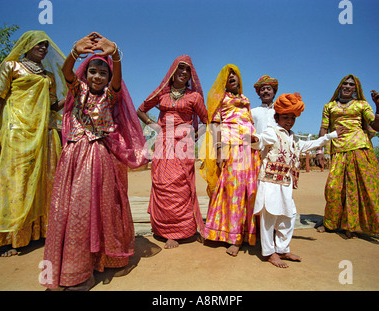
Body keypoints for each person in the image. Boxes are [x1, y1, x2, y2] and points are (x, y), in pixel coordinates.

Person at [43, 33, 147, 290]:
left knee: (95, 209)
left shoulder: (111, 97)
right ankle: (73, 268)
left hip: (99, 157)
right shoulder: (77, 90)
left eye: (103, 73)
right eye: (92, 71)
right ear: (85, 74)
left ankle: (90, 267)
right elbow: (67, 71)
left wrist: (116, 56)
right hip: (73, 157)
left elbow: (118, 81)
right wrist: (74, 52)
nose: (98, 76)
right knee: (69, 210)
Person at [0, 31, 66, 257]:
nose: (44, 49)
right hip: (16, 132)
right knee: (16, 181)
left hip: (45, 133)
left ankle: (41, 232)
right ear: (27, 45)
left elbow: (51, 107)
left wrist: (72, 94)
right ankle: (10, 237)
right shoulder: (10, 67)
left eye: (46, 45)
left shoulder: (48, 76)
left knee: (45, 181)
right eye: (39, 44)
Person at [251, 93, 347, 268]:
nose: (289, 121)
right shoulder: (272, 133)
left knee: (288, 216)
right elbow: (261, 141)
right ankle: (269, 252)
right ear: (276, 117)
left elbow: (309, 145)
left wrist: (331, 136)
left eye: (292, 118)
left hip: (286, 183)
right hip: (270, 182)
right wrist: (254, 140)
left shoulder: (294, 138)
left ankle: (282, 249)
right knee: (269, 218)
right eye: (285, 117)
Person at [137, 55, 208, 249]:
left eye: (187, 70)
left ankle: (180, 230)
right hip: (163, 142)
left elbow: (205, 120)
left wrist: (193, 136)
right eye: (180, 68)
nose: (184, 73)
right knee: (162, 183)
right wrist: (157, 128)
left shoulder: (194, 97)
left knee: (180, 185)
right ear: (173, 71)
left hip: (183, 144)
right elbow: (140, 110)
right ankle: (165, 230)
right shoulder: (162, 93)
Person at [315, 74, 379, 238]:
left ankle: (352, 225)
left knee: (359, 189)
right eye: (345, 84)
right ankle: (331, 222)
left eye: (351, 85)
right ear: (340, 86)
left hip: (361, 149)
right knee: (334, 188)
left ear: (356, 89)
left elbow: (376, 126)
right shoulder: (330, 106)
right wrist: (319, 151)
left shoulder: (362, 104)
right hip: (339, 150)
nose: (347, 87)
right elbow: (323, 129)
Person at [200, 64, 261, 256]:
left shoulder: (245, 99)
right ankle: (233, 237)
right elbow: (215, 125)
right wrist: (219, 150)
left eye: (234, 75)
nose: (231, 78)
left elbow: (249, 121)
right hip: (232, 147)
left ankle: (248, 233)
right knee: (233, 190)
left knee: (250, 191)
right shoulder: (220, 98)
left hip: (250, 148)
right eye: (228, 76)